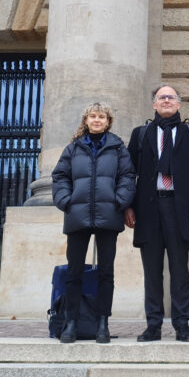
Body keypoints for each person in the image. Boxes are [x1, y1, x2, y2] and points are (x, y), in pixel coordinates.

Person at [125, 86, 189, 343]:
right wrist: (127, 205)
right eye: (162, 97)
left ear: (179, 104)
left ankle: (182, 325)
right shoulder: (141, 134)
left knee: (180, 271)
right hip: (148, 209)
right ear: (154, 105)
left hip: (179, 209)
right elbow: (128, 174)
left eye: (171, 97)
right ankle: (153, 325)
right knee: (152, 272)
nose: (166, 100)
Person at [50, 102, 136, 344]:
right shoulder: (73, 148)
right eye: (93, 116)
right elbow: (60, 177)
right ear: (86, 121)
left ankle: (102, 323)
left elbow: (128, 177)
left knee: (106, 273)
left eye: (102, 117)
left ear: (108, 121)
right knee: (74, 272)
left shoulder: (118, 148)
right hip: (78, 216)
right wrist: (66, 200)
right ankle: (71, 323)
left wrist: (119, 201)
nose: (97, 120)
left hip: (108, 216)